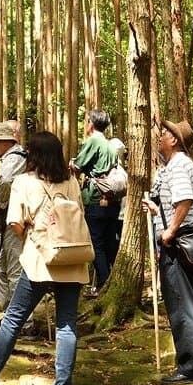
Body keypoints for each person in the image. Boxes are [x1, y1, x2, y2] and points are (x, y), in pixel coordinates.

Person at [0, 131, 88, 385]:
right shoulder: (71, 182)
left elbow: (15, 224)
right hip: (71, 258)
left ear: (32, 155)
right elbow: (78, 213)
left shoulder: (23, 182)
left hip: (38, 261)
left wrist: (32, 233)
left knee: (13, 319)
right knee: (67, 325)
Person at [143, 119, 193, 385]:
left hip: (180, 245)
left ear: (174, 140)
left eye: (163, 134)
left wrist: (170, 230)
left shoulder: (178, 166)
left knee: (183, 306)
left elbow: (184, 199)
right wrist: (156, 211)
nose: (159, 138)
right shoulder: (183, 166)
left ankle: (190, 368)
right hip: (192, 244)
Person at [71, 109, 121, 291]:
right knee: (109, 241)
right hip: (111, 199)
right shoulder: (110, 145)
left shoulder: (93, 141)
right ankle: (112, 278)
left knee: (96, 242)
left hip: (95, 197)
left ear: (91, 123)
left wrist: (72, 164)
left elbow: (78, 166)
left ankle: (103, 282)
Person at [0, 121, 27, 309]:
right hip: (11, 218)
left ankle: (23, 322)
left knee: (14, 269)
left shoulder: (15, 158)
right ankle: (10, 315)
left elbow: (7, 182)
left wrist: (0, 202)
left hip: (15, 218)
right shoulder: (11, 158)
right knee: (1, 269)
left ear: (4, 141)